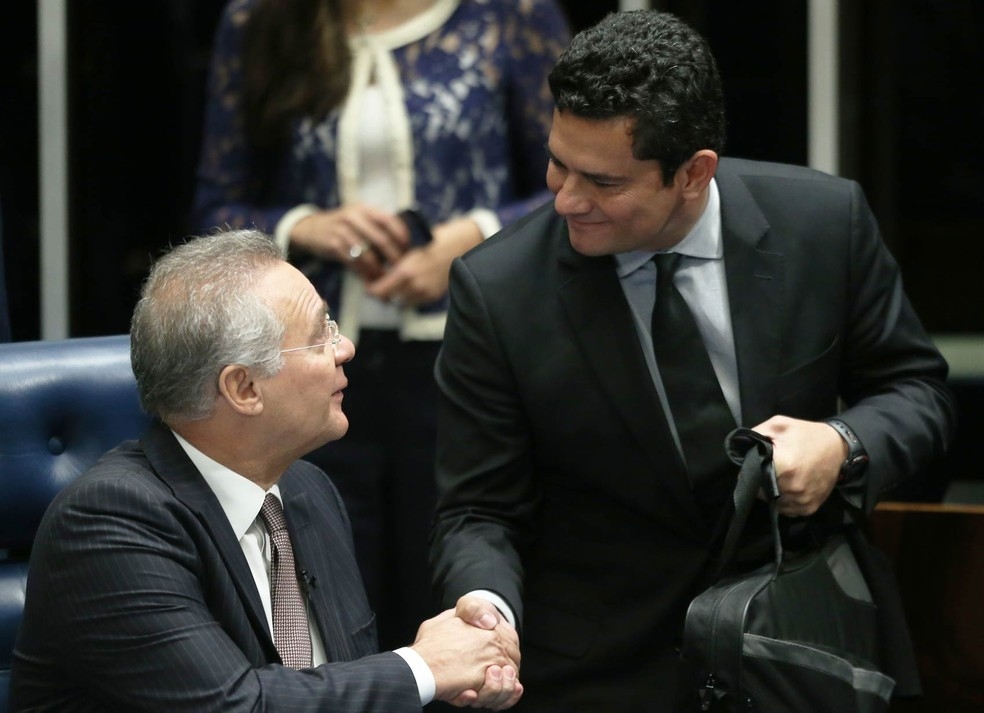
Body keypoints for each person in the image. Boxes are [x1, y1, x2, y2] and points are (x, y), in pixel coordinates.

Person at [429, 10, 957, 712]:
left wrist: (842, 444)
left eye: (603, 182)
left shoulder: (823, 223)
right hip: (601, 671)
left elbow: (918, 392)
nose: (564, 199)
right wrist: (487, 607)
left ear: (693, 172)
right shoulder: (497, 288)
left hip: (805, 651)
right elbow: (478, 507)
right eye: (558, 162)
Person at [9, 228, 523, 712]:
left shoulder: (306, 489)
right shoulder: (109, 523)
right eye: (320, 334)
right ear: (244, 389)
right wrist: (424, 668)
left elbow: (335, 682)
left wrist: (460, 667)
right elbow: (238, 706)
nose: (346, 349)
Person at [191, 0, 570, 651]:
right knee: (328, 597)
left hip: (467, 365)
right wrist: (302, 226)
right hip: (308, 369)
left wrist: (470, 239)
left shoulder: (512, 13)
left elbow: (574, 189)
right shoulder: (262, 18)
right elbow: (213, 207)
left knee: (456, 582)